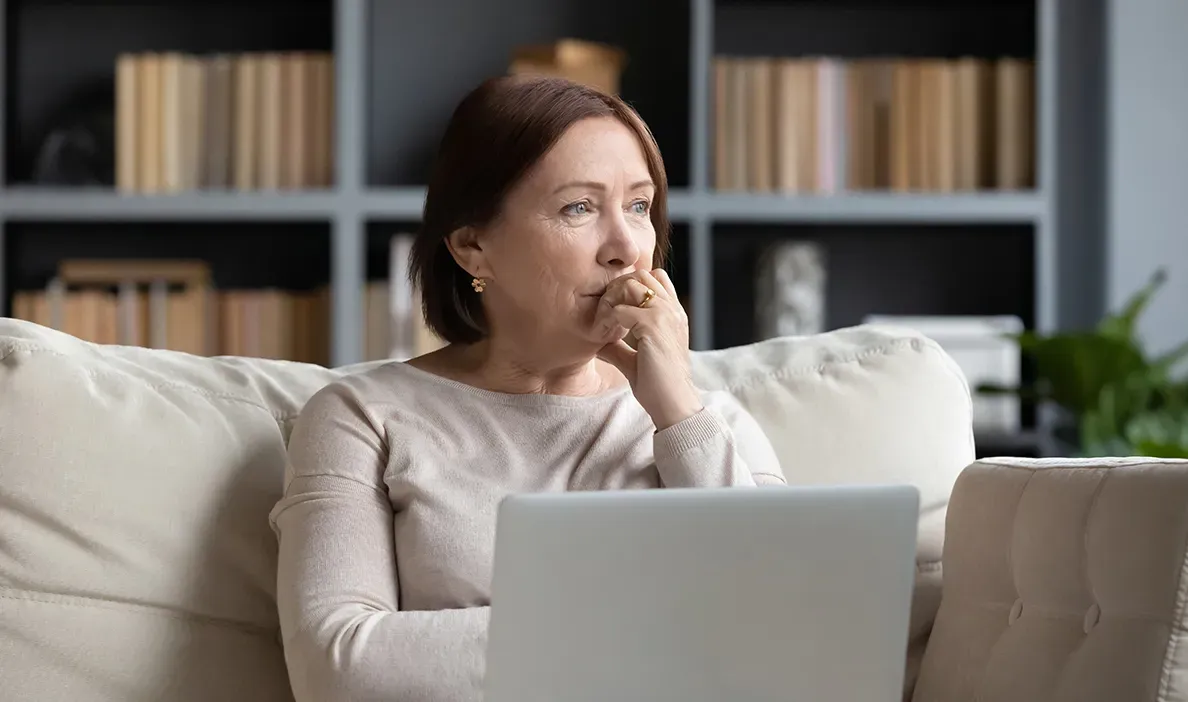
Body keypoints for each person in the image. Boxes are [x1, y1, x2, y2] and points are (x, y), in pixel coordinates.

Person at [268, 74, 787, 702]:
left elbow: (778, 640)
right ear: (472, 247)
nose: (626, 248)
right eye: (580, 208)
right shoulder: (360, 417)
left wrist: (676, 410)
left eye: (639, 206)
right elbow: (337, 666)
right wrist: (663, 639)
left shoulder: (707, 420)